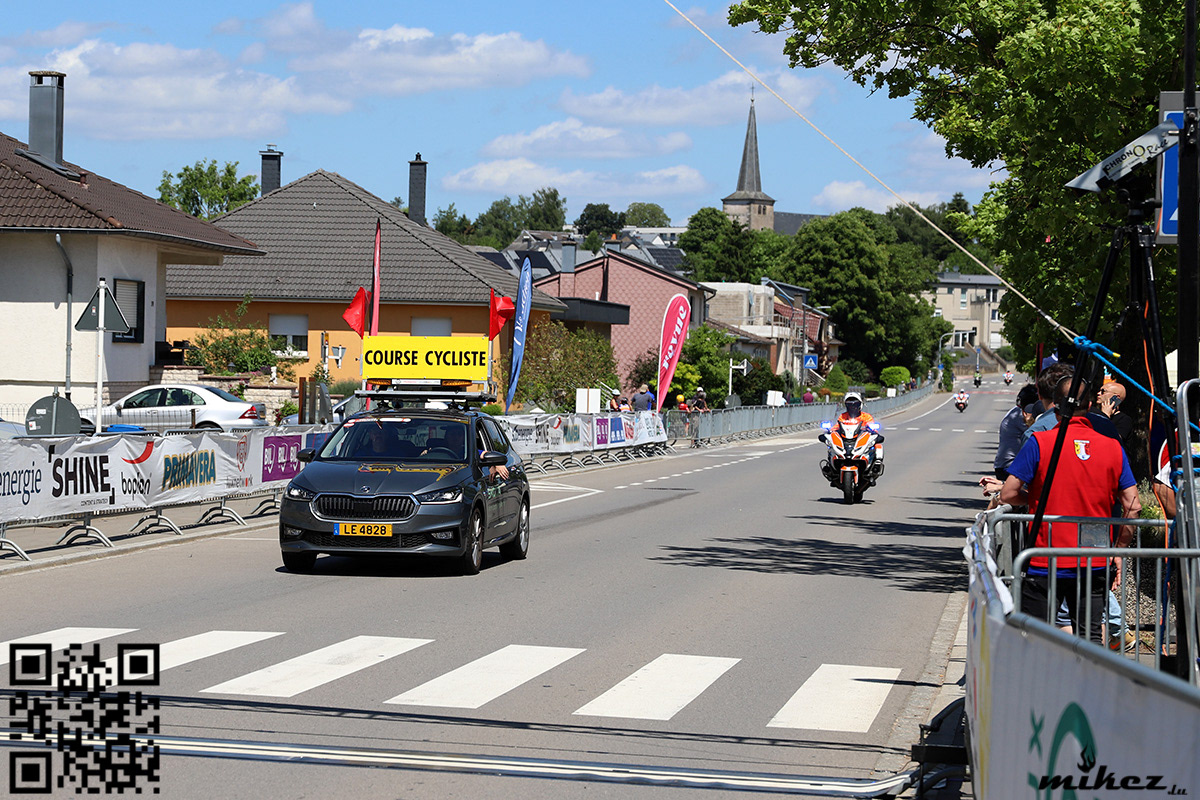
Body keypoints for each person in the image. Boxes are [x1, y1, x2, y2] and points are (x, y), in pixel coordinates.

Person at [1000, 375, 1140, 645]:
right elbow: (1133, 506)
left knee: (1035, 638)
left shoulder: (1040, 442)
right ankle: (1086, 685)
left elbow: (1008, 493)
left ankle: (1041, 686)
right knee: (1089, 640)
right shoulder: (1112, 446)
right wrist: (1119, 549)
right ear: (1089, 405)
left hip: (1044, 556)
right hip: (1093, 557)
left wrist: (1037, 500)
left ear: (1056, 406)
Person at [1096, 381, 1134, 455]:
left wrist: (1105, 416)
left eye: (1103, 391)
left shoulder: (1124, 420)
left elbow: (1112, 441)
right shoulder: (1093, 414)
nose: (1098, 393)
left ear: (1116, 397)